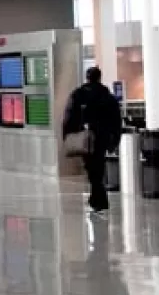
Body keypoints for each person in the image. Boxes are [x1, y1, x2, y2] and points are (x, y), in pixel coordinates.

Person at [62, 67, 123, 214]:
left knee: (91, 167)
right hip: (102, 137)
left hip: (85, 136)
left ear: (87, 78)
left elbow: (69, 116)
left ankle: (98, 198)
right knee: (98, 166)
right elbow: (116, 120)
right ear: (99, 77)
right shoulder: (107, 96)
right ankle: (98, 198)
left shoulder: (78, 94)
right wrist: (115, 140)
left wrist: (67, 134)